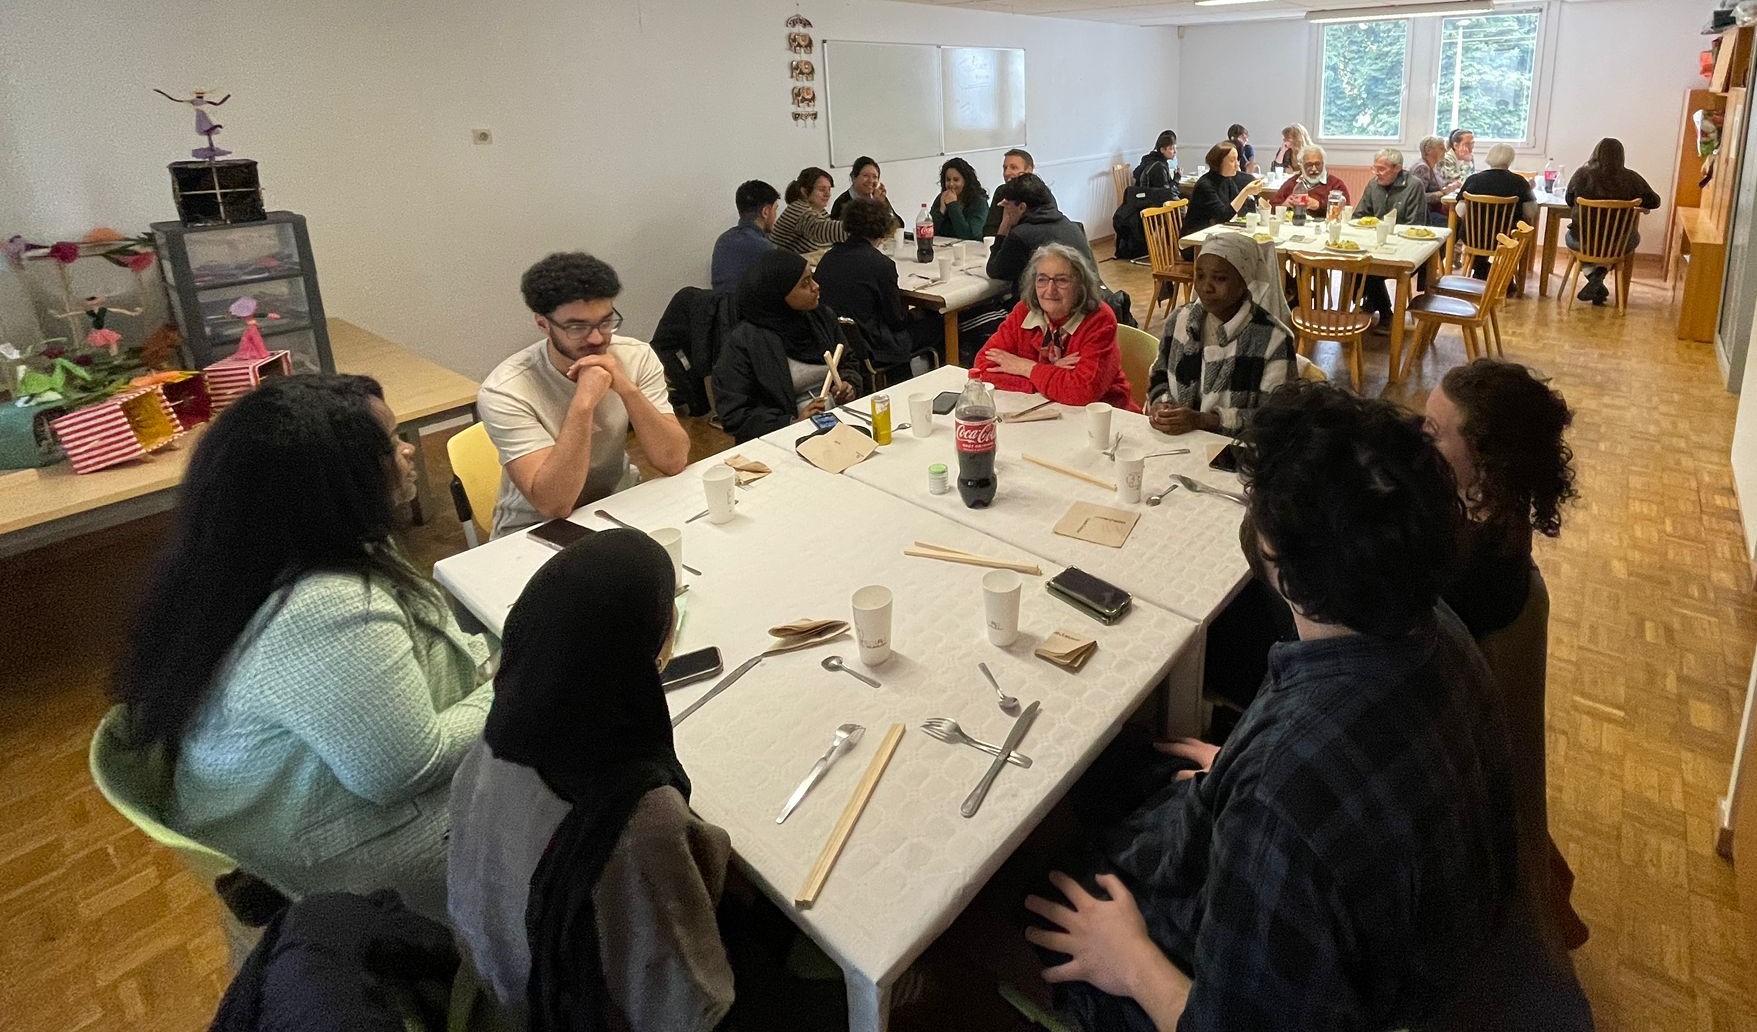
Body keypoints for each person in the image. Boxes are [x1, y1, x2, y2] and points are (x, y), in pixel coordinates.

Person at [1024, 381, 1520, 1031]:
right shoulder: (1436, 628)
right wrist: (1237, 766)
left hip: (1317, 993)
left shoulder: (1282, 795)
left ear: (1278, 562)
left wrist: (1130, 959)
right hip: (1412, 946)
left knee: (1020, 885)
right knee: (1118, 766)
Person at [112, 374, 494, 922]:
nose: (410, 450)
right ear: (333, 481)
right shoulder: (327, 605)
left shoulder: (254, 557)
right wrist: (524, 680)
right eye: (390, 443)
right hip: (335, 870)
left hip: (299, 816)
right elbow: (404, 771)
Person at [448, 530, 734, 1030]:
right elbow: (691, 1000)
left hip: (493, 988)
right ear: (658, 641)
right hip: (571, 1008)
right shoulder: (637, 814)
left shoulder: (493, 744)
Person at [1425, 359, 1591, 955]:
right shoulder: (1498, 528)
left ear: (1485, 467)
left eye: (1433, 434)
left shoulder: (1472, 575)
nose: (1422, 444)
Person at [480, 252, 690, 538]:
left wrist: (627, 388)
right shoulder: (506, 389)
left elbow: (673, 460)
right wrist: (583, 404)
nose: (596, 338)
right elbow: (554, 505)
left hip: (618, 505)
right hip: (535, 527)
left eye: (605, 322)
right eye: (577, 327)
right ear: (543, 324)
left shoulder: (636, 356)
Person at [1147, 233, 1295, 437]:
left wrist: (1206, 421)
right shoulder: (1180, 321)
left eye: (1219, 278)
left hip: (1237, 454)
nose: (1206, 287)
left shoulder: (1273, 339)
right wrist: (1161, 405)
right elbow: (1159, 375)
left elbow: (1275, 420)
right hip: (1178, 443)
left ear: (1244, 282)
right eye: (1200, 275)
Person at [712, 249, 862, 442]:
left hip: (838, 423)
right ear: (778, 295)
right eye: (804, 284)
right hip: (783, 439)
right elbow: (734, 415)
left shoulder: (821, 318)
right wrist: (791, 423)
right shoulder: (745, 342)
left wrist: (848, 385)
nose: (816, 287)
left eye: (812, 278)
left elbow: (848, 361)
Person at [970, 242, 1134, 410]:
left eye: (1061, 280)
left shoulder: (1100, 319)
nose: (1050, 290)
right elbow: (982, 367)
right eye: (1042, 279)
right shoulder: (1024, 311)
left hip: (1104, 417)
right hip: (1039, 411)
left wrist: (1026, 367)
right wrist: (1050, 373)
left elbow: (1083, 391)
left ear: (1080, 286)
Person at [816, 197, 941, 372]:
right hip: (874, 345)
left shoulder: (828, 258)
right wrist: (916, 314)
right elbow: (896, 321)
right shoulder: (881, 264)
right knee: (936, 322)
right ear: (883, 229)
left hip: (837, 341)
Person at [1564, 137, 1661, 304]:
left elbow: (1569, 199)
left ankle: (1593, 276)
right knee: (1631, 238)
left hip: (1584, 241)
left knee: (1573, 237)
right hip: (1618, 243)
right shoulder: (1632, 178)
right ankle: (1599, 275)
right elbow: (1655, 202)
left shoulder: (1581, 175)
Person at [1356, 148, 1431, 322]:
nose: (1376, 174)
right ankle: (1377, 305)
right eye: (1374, 168)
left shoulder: (1414, 185)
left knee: (1368, 268)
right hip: (1374, 244)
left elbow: (1415, 224)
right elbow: (1359, 216)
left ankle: (1383, 312)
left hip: (1405, 248)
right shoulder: (1373, 184)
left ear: (1397, 168)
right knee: (1357, 264)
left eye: (1381, 169)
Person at [986, 172, 1098, 289]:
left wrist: (1004, 225)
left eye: (1008, 205)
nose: (1006, 209)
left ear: (1021, 207)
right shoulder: (1070, 225)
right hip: (1087, 296)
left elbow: (994, 271)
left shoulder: (1021, 235)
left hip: (1049, 303)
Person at [1458, 143, 1537, 277]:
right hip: (1508, 237)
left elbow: (1460, 211)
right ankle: (1503, 274)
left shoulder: (1474, 180)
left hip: (1474, 236)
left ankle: (1481, 269)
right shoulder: (1519, 182)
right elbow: (1531, 213)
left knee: (1476, 230)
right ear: (1510, 159)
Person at [1182, 141, 1264, 239]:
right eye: (1232, 160)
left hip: (1216, 235)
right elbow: (1223, 217)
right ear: (1219, 162)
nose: (1237, 165)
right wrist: (1245, 192)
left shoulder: (1227, 180)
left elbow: (1240, 209)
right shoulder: (1205, 185)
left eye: (1237, 160)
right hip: (1195, 239)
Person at [710, 179, 780, 293]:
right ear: (765, 212)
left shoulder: (722, 240)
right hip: (751, 309)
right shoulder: (766, 249)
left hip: (720, 309)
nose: (776, 216)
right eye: (775, 209)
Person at [769, 166, 847, 253]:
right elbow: (820, 230)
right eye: (822, 189)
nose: (828, 194)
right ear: (804, 191)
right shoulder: (797, 209)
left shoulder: (821, 212)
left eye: (829, 189)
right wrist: (859, 227)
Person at [1266, 145, 1348, 218]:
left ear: (1324, 164)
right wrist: (1284, 205)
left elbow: (1345, 212)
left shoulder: (1336, 185)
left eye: (1317, 164)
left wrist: (1319, 205)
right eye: (1309, 165)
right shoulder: (1292, 182)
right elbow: (1270, 208)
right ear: (1301, 165)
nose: (1314, 169)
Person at [829, 155, 905, 227]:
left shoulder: (877, 197)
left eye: (875, 177)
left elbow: (899, 225)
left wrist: (882, 204)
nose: (871, 181)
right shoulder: (842, 202)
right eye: (865, 176)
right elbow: (864, 230)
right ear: (853, 178)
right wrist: (876, 206)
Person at [931, 157, 991, 240]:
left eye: (956, 180)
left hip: (970, 249)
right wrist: (941, 210)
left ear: (965, 181)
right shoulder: (942, 198)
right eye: (948, 180)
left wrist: (953, 206)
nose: (951, 184)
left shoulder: (979, 202)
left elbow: (970, 235)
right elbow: (929, 231)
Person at [983, 147, 1037, 238]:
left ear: (1029, 171)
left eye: (1014, 167)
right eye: (1005, 168)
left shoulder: (1039, 193)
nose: (1007, 173)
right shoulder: (1001, 192)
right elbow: (989, 231)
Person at [1411, 135, 1456, 227]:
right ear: (1428, 150)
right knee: (1454, 223)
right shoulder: (1422, 168)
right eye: (1441, 148)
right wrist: (1441, 193)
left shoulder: (1433, 166)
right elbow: (1417, 197)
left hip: (1432, 210)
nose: (1445, 151)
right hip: (1424, 213)